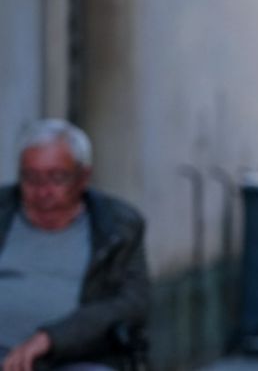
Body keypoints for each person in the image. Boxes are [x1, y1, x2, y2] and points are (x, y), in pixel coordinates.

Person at [0, 120, 150, 371]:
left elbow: (132, 303)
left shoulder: (119, 226)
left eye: (57, 178)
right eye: (31, 178)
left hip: (76, 360)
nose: (42, 191)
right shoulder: (4, 211)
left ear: (83, 177)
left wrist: (52, 338)